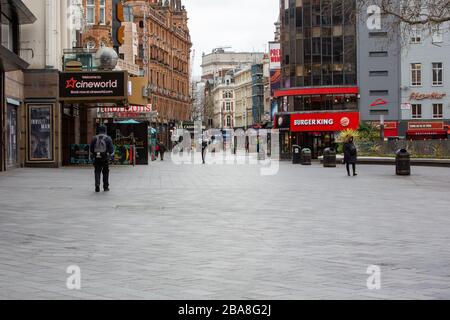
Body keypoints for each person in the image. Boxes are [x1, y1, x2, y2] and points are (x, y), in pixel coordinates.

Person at [90, 125, 114, 192]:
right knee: (105, 172)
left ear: (99, 130)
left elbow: (91, 149)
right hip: (105, 157)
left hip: (97, 157)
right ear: (105, 130)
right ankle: (105, 187)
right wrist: (111, 156)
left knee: (97, 171)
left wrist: (94, 155)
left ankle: (97, 185)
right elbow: (111, 150)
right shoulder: (108, 138)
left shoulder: (94, 138)